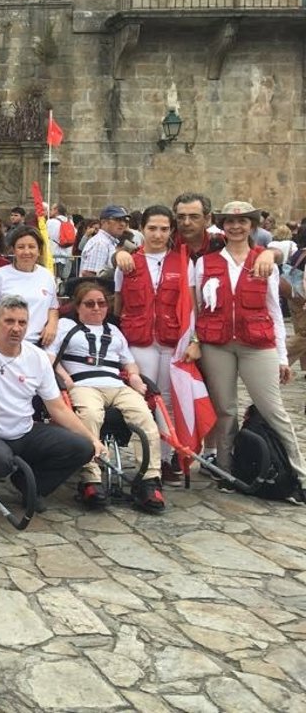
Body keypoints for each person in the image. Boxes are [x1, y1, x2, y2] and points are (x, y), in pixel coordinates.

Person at [0, 297, 102, 506]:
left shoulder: (37, 356)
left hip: (23, 431)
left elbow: (57, 407)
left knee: (82, 447)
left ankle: (30, 485)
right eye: (9, 321)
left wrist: (91, 438)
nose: (16, 328)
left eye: (22, 323)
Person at [193, 201, 306, 502]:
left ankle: (300, 473)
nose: (236, 226)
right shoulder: (206, 264)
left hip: (258, 344)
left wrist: (282, 356)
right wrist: (194, 341)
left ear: (252, 226)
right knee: (226, 411)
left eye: (242, 221)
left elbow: (274, 312)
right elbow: (196, 309)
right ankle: (228, 473)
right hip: (217, 344)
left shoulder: (264, 261)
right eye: (230, 221)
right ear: (222, 225)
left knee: (273, 410)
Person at [47, 280, 165, 511]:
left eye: (101, 303)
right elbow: (48, 358)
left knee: (144, 416)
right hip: (83, 385)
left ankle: (149, 480)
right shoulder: (65, 326)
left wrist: (135, 377)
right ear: (78, 307)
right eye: (89, 304)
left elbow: (129, 362)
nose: (96, 308)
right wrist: (64, 378)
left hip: (116, 385)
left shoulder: (115, 331)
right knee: (90, 416)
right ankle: (91, 478)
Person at [113, 204, 196, 477]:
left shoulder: (183, 262)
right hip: (140, 339)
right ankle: (147, 460)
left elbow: (191, 305)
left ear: (171, 231)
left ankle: (167, 455)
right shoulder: (127, 262)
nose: (158, 235)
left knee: (169, 400)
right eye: (152, 228)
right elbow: (118, 303)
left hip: (172, 339)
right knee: (144, 400)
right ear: (142, 229)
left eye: (163, 229)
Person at [0, 226, 59, 346]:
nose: (26, 252)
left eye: (31, 247)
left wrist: (52, 325)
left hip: (36, 344)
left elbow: (53, 307)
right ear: (13, 250)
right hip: (3, 343)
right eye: (20, 247)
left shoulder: (47, 276)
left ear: (39, 250)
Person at [79, 204, 131, 277]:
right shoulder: (100, 243)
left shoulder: (108, 242)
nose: (122, 224)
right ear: (103, 222)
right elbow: (90, 276)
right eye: (117, 219)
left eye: (125, 220)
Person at [47, 204, 74, 282]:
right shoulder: (70, 222)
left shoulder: (51, 222)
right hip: (66, 254)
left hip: (54, 254)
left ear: (56, 210)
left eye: (51, 209)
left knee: (53, 278)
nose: (50, 211)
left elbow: (47, 236)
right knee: (63, 278)